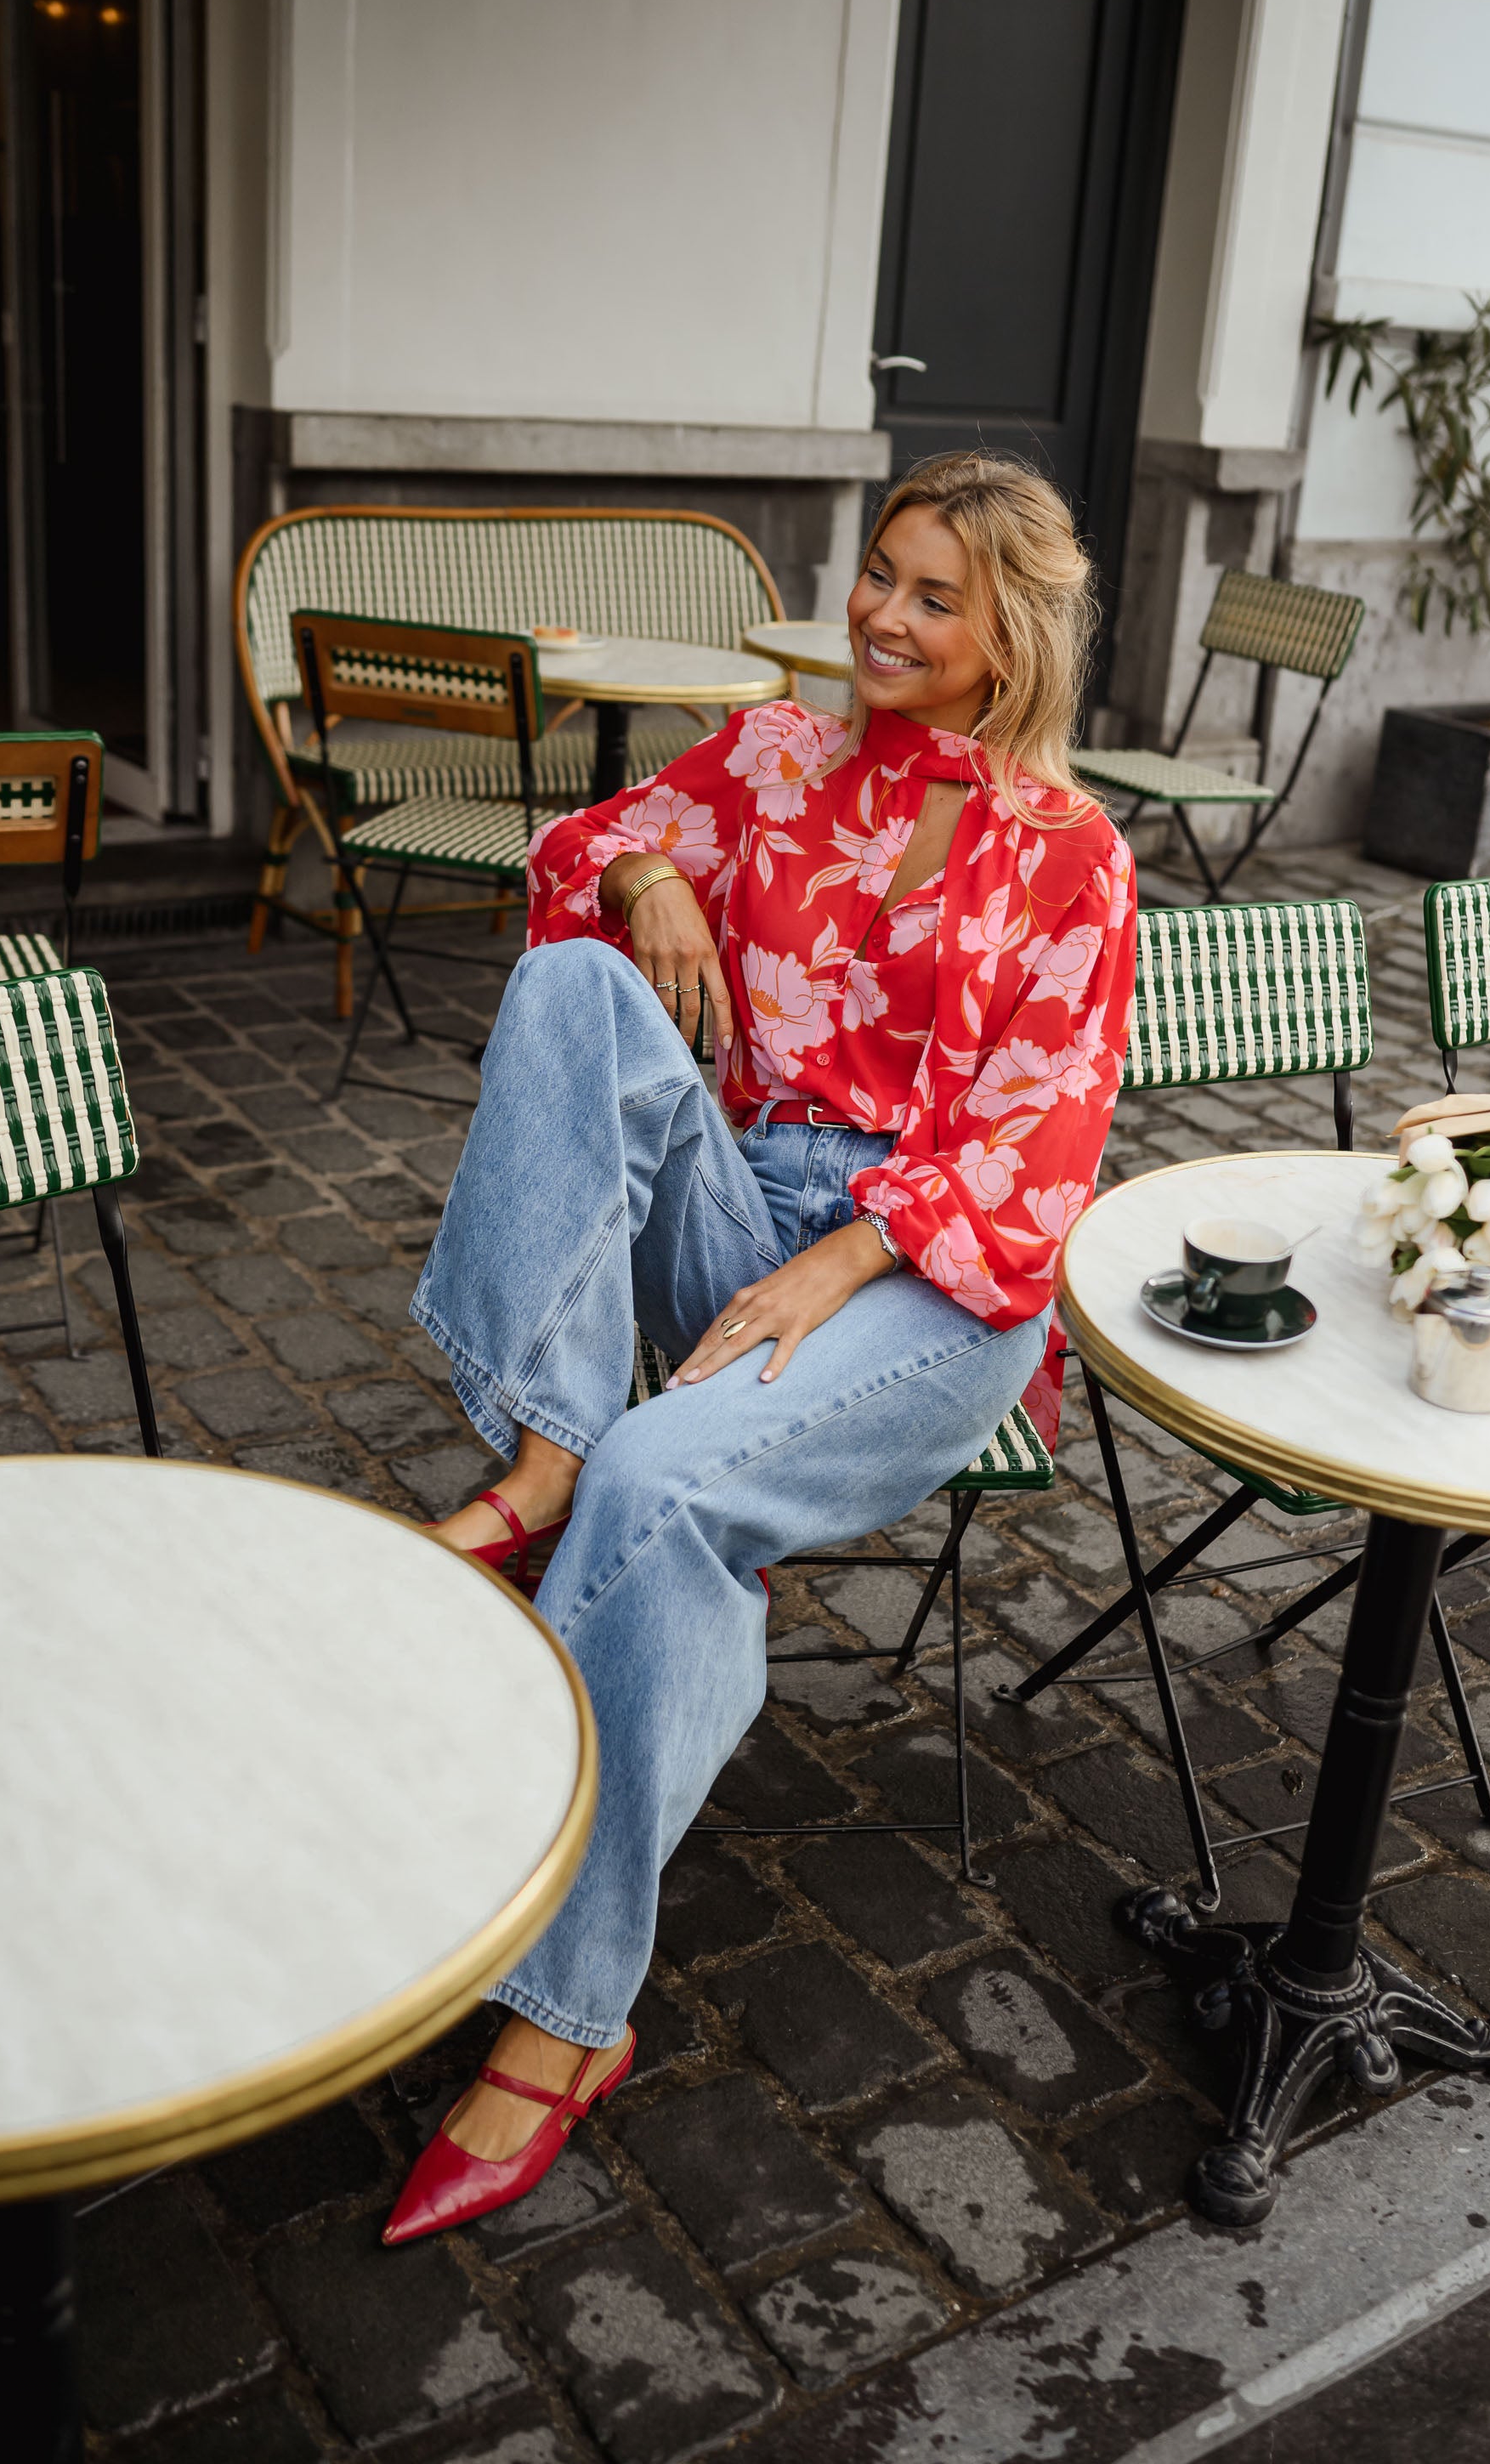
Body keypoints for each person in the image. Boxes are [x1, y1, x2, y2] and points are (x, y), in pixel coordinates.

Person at [382, 451, 1137, 2244]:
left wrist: (841, 1265)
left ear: (1009, 633)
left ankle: (563, 2022)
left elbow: (1038, 1159)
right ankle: (550, 1442)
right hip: (742, 1204)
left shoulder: (1071, 861)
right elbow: (580, 849)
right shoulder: (780, 759)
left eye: (931, 597)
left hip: (933, 1285)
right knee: (570, 984)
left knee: (673, 1483)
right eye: (878, 575)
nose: (878, 614)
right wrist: (647, 876)